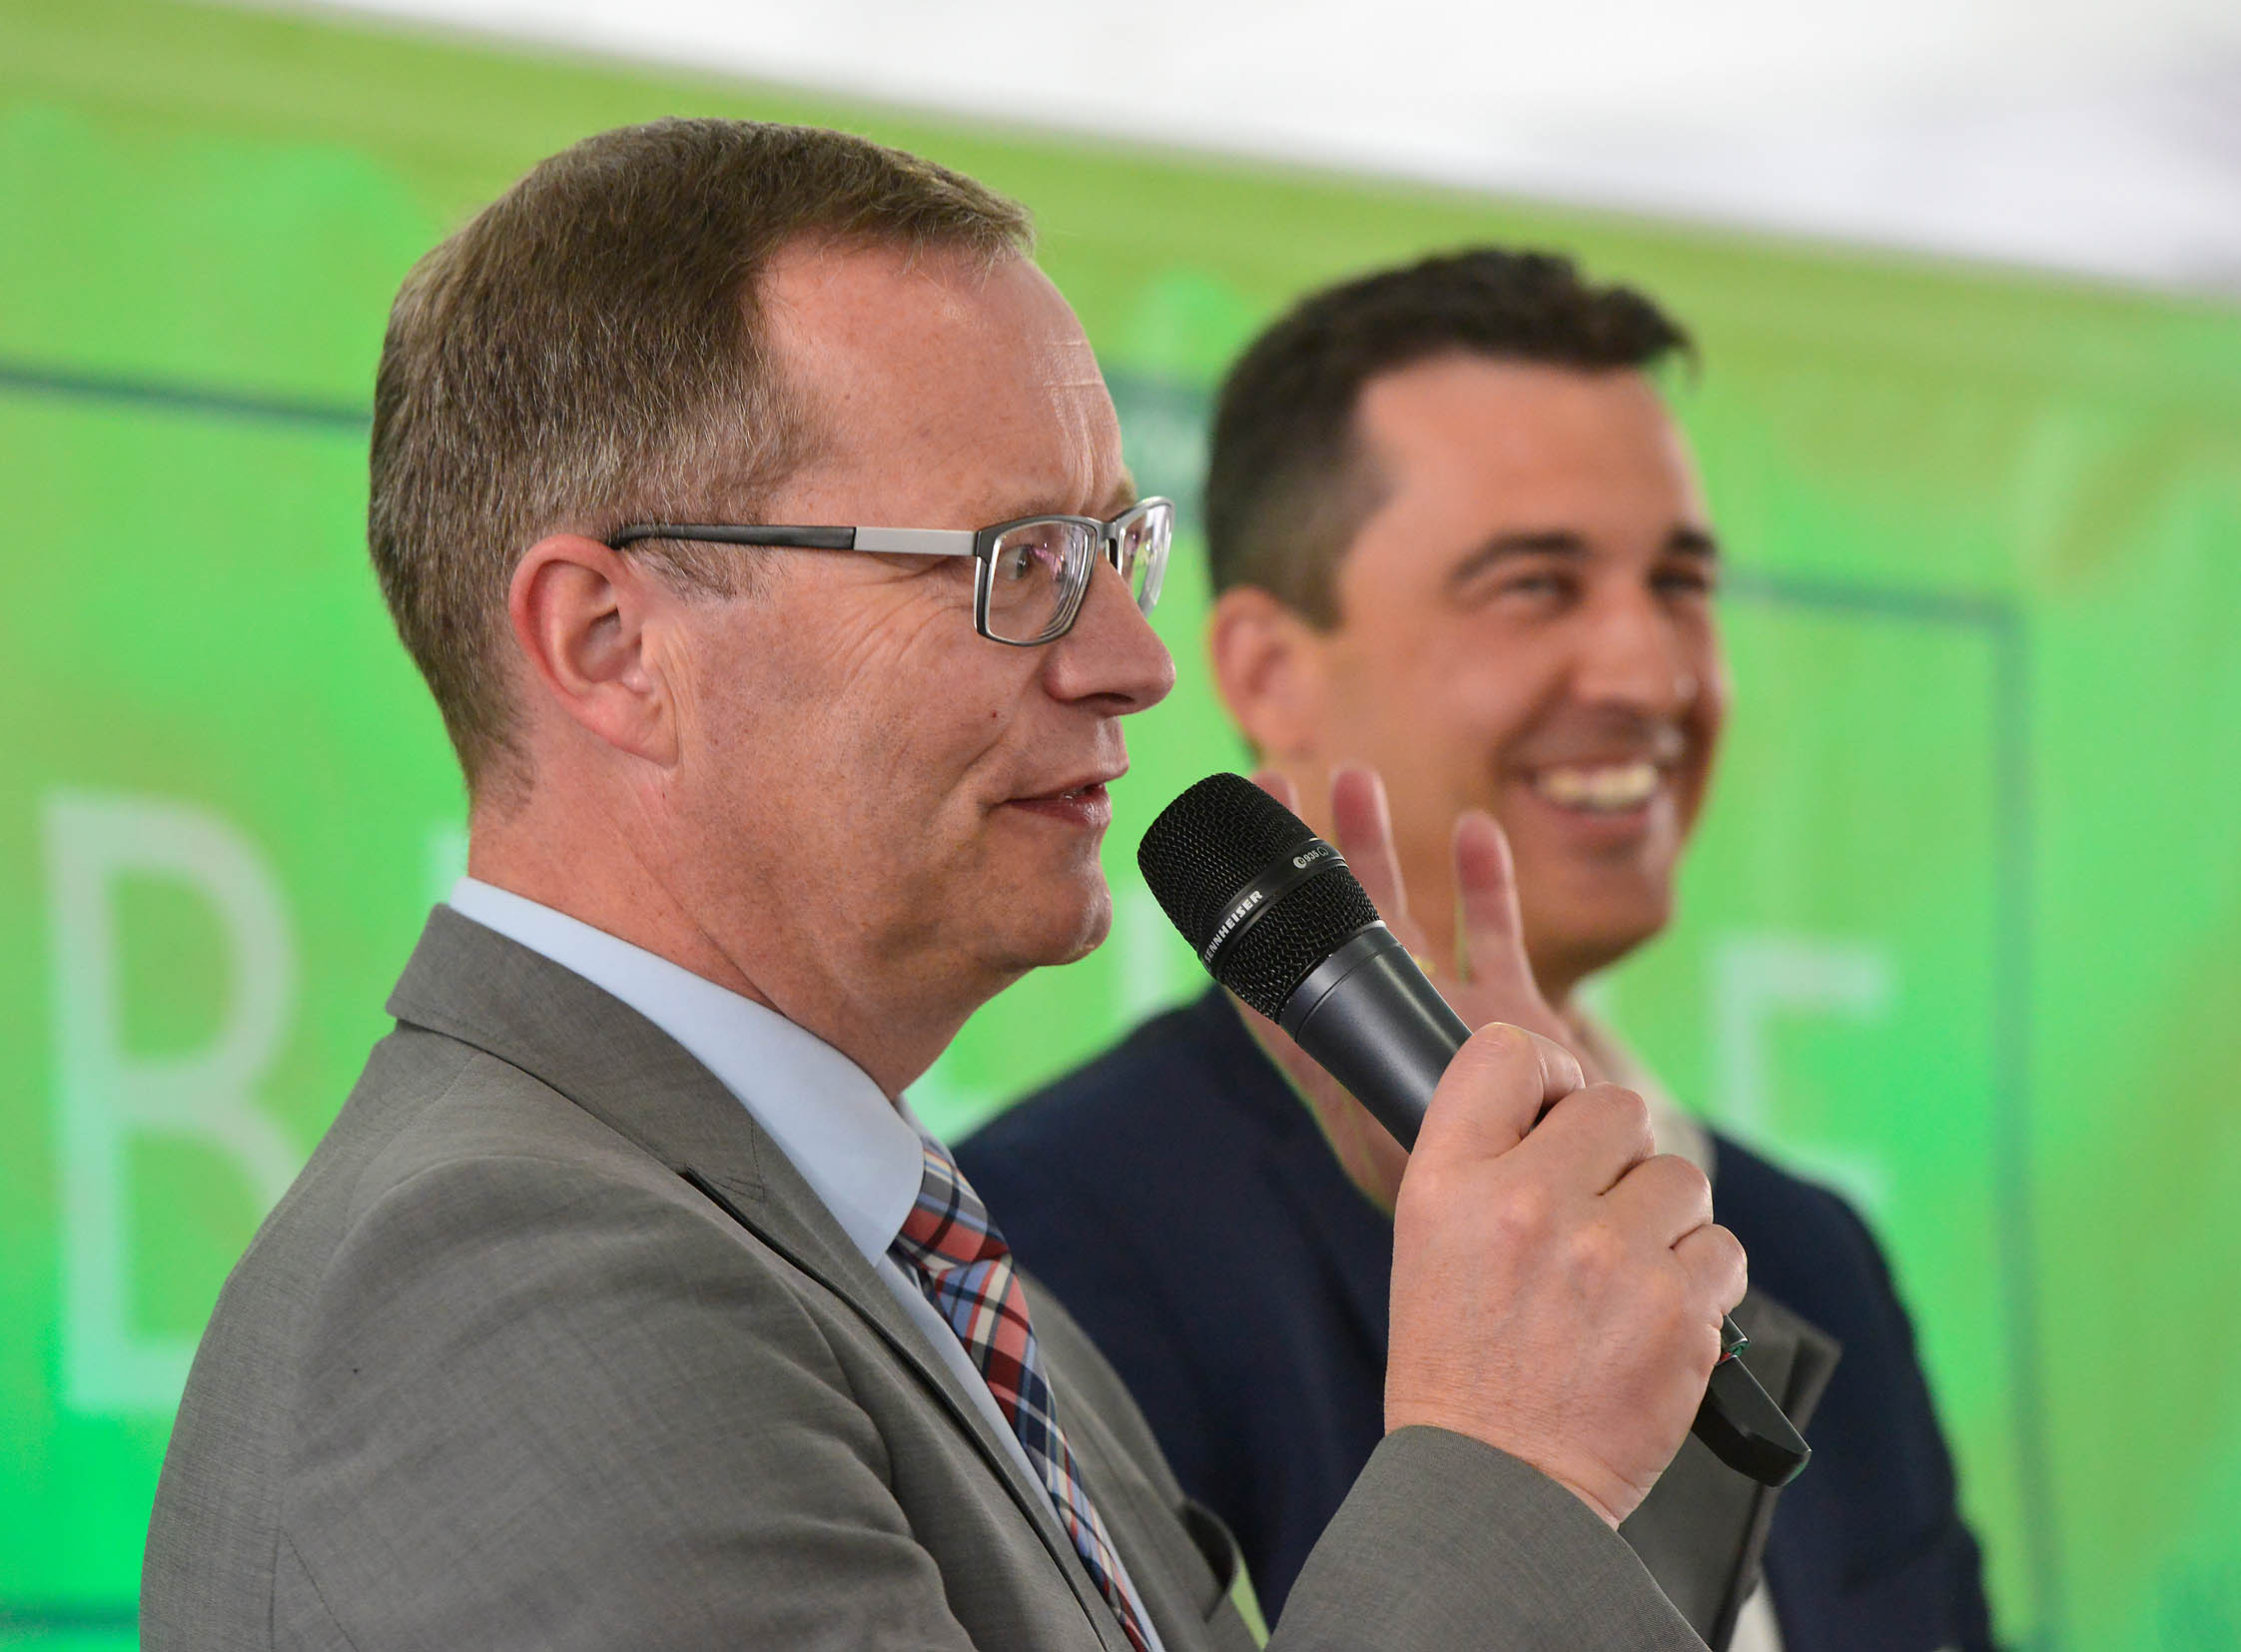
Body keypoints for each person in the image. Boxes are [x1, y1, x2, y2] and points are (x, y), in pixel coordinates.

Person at [141, 125, 1748, 1650]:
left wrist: (1593, 1355)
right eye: (1017, 563)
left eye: (1113, 549)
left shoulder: (896, 1243)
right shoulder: (500, 1287)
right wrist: (1508, 1462)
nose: (1132, 659)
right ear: (611, 645)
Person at [961, 251, 1995, 1652]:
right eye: (1535, 586)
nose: (1649, 673)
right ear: (1266, 668)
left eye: (1681, 584)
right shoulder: (1052, 1239)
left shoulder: (1809, 1248)